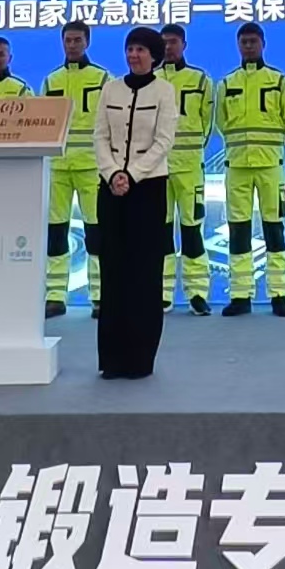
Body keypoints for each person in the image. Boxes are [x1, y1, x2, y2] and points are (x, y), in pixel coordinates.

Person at [94, 27, 179, 378]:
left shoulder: (164, 91)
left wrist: (132, 174)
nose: (133, 55)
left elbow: (164, 141)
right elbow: (100, 136)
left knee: (143, 273)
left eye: (141, 49)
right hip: (110, 188)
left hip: (148, 188)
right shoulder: (110, 88)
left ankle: (140, 359)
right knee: (113, 271)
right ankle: (112, 360)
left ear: (154, 55)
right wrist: (112, 172)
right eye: (130, 49)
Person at [215, 22, 285, 316]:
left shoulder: (279, 81)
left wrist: (271, 146)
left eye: (253, 41)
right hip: (237, 165)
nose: (248, 46)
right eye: (244, 41)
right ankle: (240, 295)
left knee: (275, 229)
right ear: (238, 45)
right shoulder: (227, 84)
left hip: (270, 166)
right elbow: (221, 122)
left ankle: (279, 294)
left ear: (263, 43)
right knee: (238, 231)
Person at [41, 20, 111, 318]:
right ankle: (56, 296)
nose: (72, 45)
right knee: (56, 232)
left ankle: (100, 296)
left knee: (96, 232)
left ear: (87, 42)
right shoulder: (51, 81)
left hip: (92, 167)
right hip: (58, 166)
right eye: (68, 40)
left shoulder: (103, 78)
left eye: (77, 40)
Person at [157, 23, 215, 315]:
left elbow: (208, 123)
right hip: (156, 170)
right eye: (164, 42)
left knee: (192, 232)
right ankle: (162, 293)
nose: (169, 47)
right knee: (160, 233)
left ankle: (197, 293)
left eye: (174, 42)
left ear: (184, 45)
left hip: (190, 169)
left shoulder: (201, 80)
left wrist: (190, 152)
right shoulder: (149, 80)